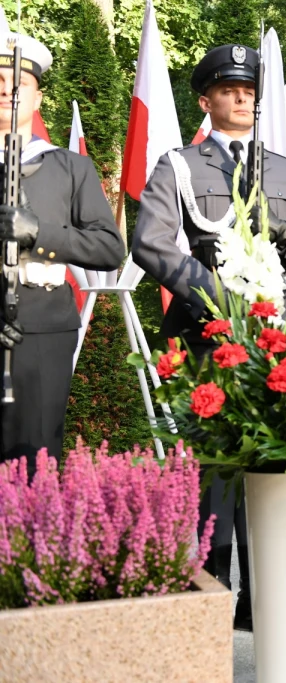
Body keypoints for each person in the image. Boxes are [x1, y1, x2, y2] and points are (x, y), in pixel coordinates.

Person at [132, 44, 286, 631]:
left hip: (275, 340)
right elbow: (151, 242)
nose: (243, 98)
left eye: (249, 90)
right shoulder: (179, 165)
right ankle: (214, 593)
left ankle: (262, 596)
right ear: (206, 100)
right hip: (204, 335)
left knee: (271, 463)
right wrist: (216, 297)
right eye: (228, 90)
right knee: (214, 471)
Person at [0, 33, 124, 469]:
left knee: (33, 460)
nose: (4, 90)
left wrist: (40, 233)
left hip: (41, 325)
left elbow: (110, 249)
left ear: (37, 98)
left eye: (17, 83)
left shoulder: (70, 167)